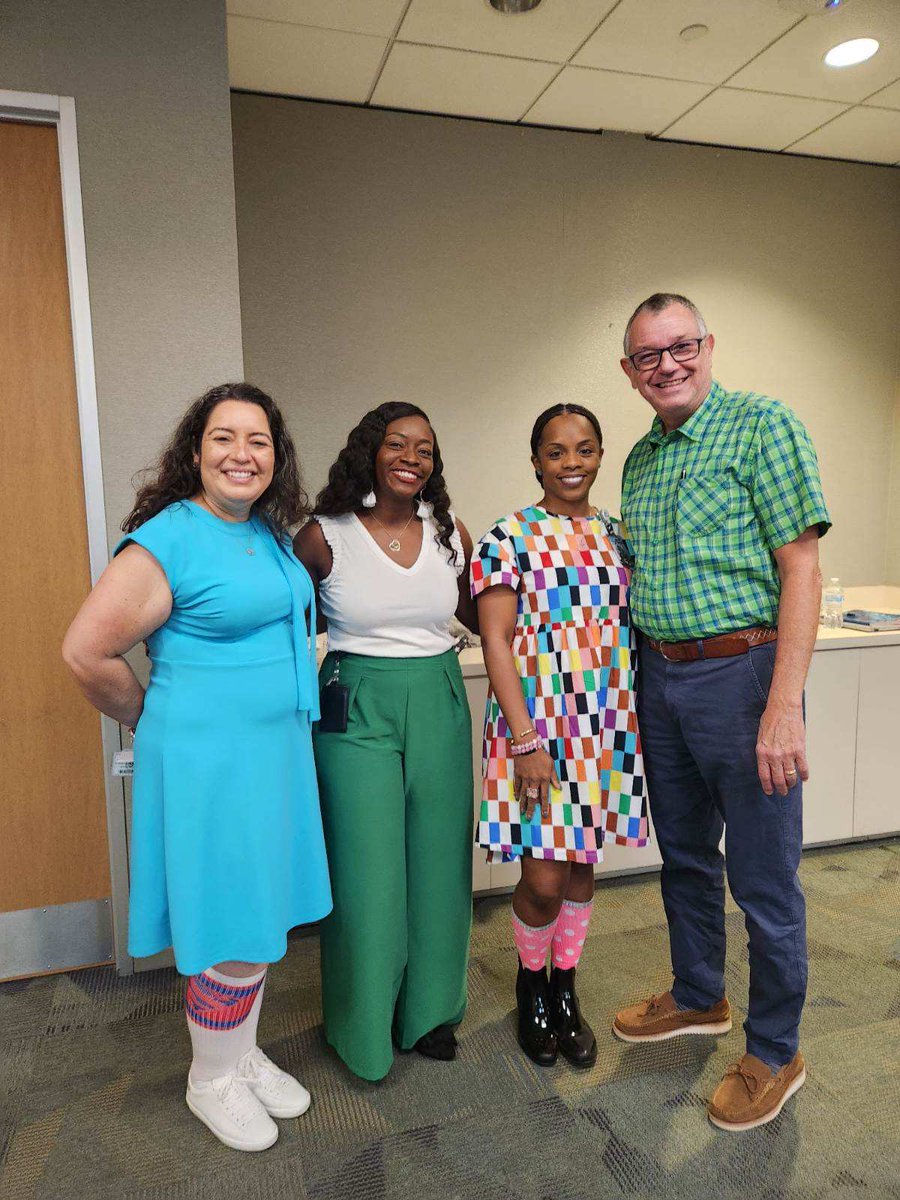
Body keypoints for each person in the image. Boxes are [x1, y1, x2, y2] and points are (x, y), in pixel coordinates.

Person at [63, 383, 331, 1152]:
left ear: (274, 459)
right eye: (224, 438)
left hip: (269, 754)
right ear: (195, 451)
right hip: (210, 762)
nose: (241, 454)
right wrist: (150, 718)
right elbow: (86, 652)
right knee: (227, 918)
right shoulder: (168, 538)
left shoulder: (266, 533)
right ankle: (208, 1074)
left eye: (258, 441)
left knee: (255, 907)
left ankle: (238, 1054)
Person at [612, 293, 831, 1131]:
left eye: (681, 346)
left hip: (746, 676)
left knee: (766, 879)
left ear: (709, 345)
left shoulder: (763, 426)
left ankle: (776, 1050)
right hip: (660, 680)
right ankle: (701, 995)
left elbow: (801, 568)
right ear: (629, 373)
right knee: (688, 858)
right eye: (647, 355)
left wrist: (783, 706)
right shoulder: (641, 458)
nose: (667, 364)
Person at [293, 401, 476, 1082]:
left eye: (424, 449)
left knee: (438, 864)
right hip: (353, 702)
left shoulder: (448, 530)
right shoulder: (323, 535)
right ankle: (362, 1025)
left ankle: (429, 1013)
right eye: (398, 444)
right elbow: (283, 622)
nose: (411, 457)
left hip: (438, 698)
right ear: (370, 451)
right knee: (365, 872)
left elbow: (480, 611)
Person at [472, 404, 648, 1069]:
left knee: (579, 868)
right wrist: (524, 740)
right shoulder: (509, 535)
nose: (570, 463)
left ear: (601, 455)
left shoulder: (618, 534)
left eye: (584, 449)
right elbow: (495, 638)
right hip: (538, 728)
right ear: (535, 459)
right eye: (555, 451)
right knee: (543, 878)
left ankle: (564, 989)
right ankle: (530, 984)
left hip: (603, 726)